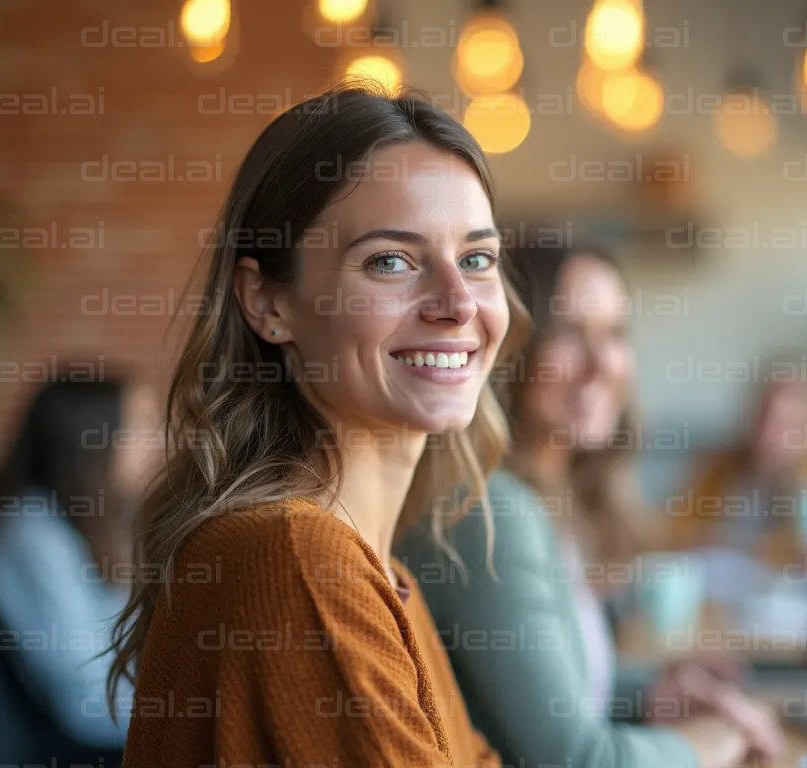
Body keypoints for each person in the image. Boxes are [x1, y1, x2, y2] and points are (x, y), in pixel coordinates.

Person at [106, 83, 528, 767]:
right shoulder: (297, 560)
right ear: (268, 302)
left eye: (477, 258)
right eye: (391, 260)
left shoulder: (369, 570)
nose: (457, 303)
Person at [397, 243, 785, 768]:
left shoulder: (542, 499)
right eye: (569, 334)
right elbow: (580, 760)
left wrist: (651, 692)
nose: (602, 364)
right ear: (509, 350)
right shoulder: (493, 512)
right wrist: (719, 739)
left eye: (615, 335)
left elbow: (548, 695)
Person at [0, 376, 161, 752]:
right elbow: (85, 701)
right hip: (92, 744)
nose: (160, 443)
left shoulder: (94, 525)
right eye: (143, 426)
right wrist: (199, 715)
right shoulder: (32, 538)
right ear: (91, 441)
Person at [667, 365, 807, 567]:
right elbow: (675, 533)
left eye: (786, 425)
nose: (768, 433)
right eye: (763, 416)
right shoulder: (717, 465)